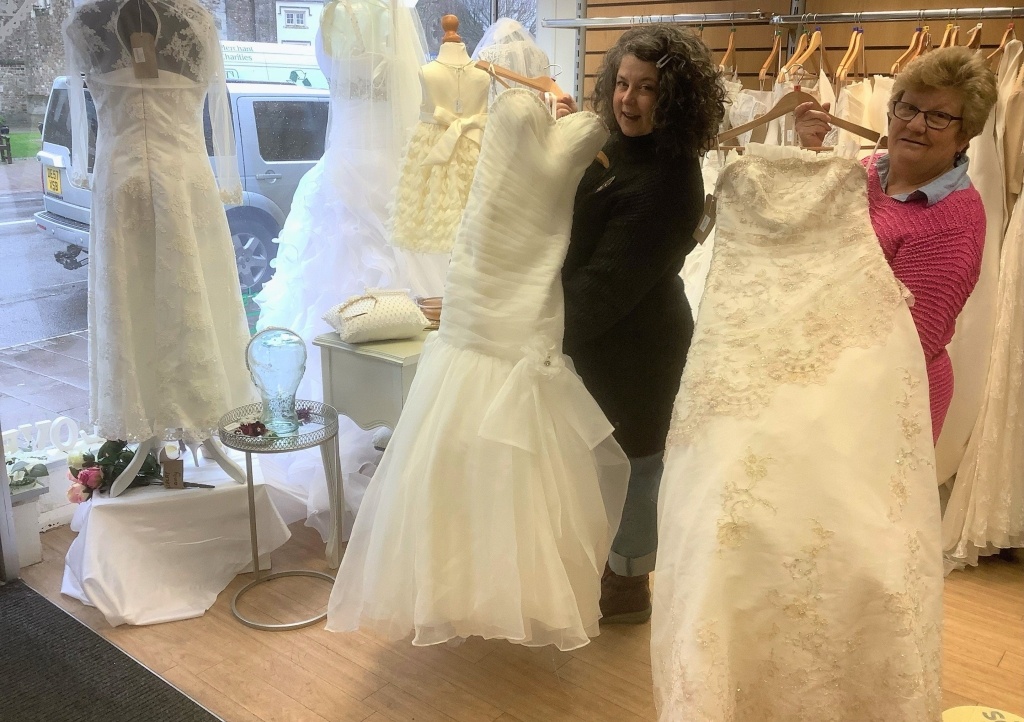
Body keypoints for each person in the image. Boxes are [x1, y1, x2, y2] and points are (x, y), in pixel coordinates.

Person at [555, 25, 726, 623]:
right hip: (593, 333)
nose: (628, 100)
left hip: (638, 348)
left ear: (674, 97)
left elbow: (607, 286)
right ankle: (603, 567)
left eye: (647, 89)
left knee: (635, 463)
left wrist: (532, 319)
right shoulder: (614, 145)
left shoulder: (671, 177)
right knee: (603, 462)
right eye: (622, 83)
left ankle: (629, 587)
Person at [795, 46, 997, 443]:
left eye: (939, 116)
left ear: (965, 133)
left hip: (884, 398)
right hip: (827, 376)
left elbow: (906, 345)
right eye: (908, 107)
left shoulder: (953, 223)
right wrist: (810, 154)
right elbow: (813, 237)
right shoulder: (868, 169)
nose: (916, 125)